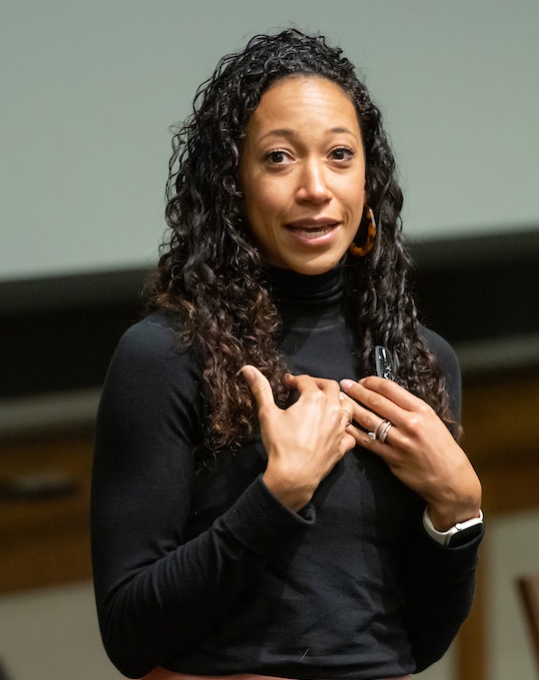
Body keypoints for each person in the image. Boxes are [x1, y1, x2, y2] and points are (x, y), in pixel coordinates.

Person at [91, 30, 482, 680]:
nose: (314, 187)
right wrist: (279, 493)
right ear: (231, 184)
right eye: (277, 158)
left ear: (368, 177)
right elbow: (129, 634)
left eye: (338, 155)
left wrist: (457, 509)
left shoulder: (419, 360)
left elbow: (419, 642)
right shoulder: (161, 356)